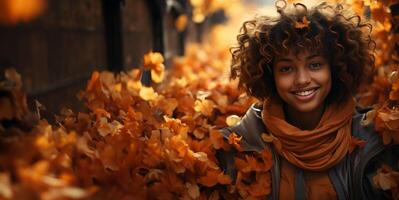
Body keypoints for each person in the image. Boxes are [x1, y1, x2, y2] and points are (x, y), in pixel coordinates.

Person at [218, 1, 399, 199]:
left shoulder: (374, 140)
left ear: (335, 68)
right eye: (287, 68)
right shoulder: (239, 144)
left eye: (314, 65)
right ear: (271, 75)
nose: (302, 80)